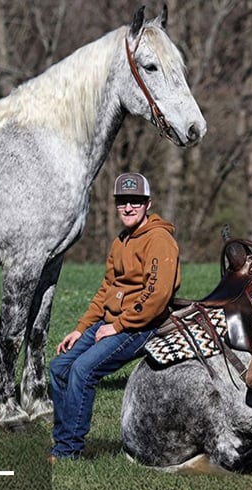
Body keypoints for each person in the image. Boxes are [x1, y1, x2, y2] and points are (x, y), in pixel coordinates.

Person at [50, 172, 181, 461]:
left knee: (83, 371)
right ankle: (62, 439)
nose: (128, 207)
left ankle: (68, 450)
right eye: (123, 202)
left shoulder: (159, 240)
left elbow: (157, 295)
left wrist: (118, 325)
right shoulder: (121, 241)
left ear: (148, 204)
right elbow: (107, 289)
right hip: (111, 322)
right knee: (59, 367)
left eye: (135, 201)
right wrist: (81, 328)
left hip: (141, 326)